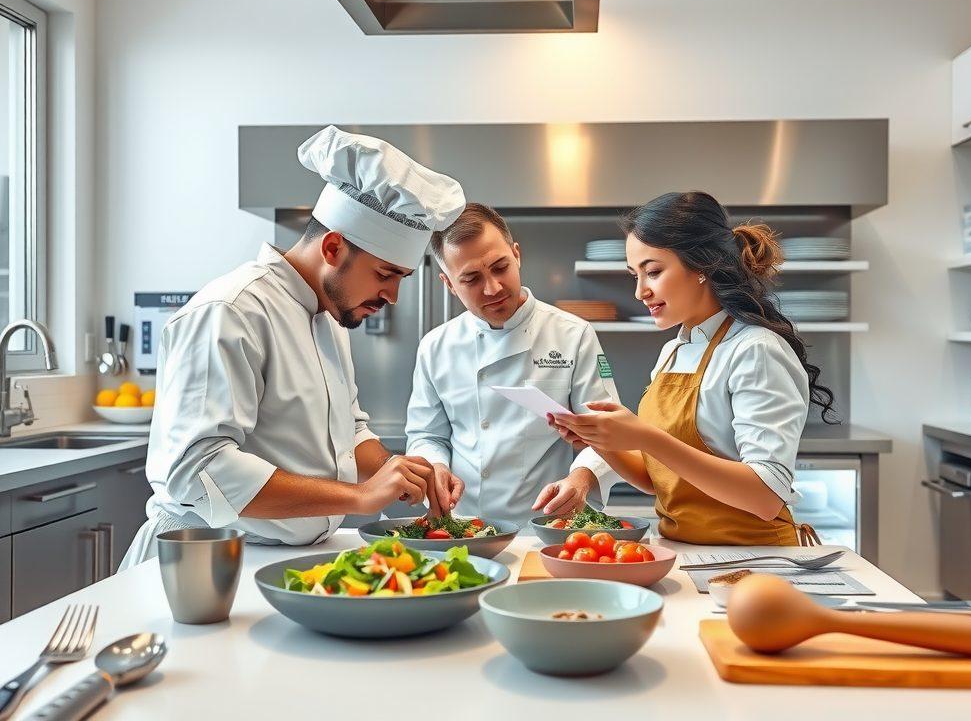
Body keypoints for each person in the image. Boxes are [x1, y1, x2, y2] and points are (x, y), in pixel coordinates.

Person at [121, 126, 467, 568]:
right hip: (206, 560)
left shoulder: (330, 319)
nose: (393, 297)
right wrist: (360, 496)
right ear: (333, 247)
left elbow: (349, 431)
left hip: (280, 558)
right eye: (385, 275)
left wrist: (397, 470)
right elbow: (198, 470)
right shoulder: (232, 311)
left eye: (401, 278)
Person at [550, 191, 838, 546]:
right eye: (634, 275)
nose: (640, 292)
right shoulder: (674, 350)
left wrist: (644, 436)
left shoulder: (756, 349)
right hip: (684, 550)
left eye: (653, 271)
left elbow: (765, 496)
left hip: (756, 558)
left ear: (702, 265)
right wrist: (604, 442)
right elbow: (660, 479)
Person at [404, 203, 621, 525]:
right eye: (471, 279)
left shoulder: (573, 334)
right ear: (448, 284)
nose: (492, 288)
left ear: (516, 255)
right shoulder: (436, 346)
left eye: (500, 267)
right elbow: (427, 435)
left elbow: (608, 430)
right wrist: (436, 466)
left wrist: (584, 477)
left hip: (545, 526)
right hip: (461, 525)